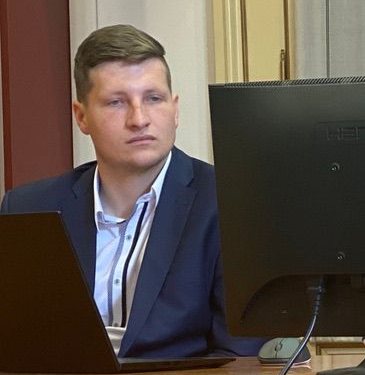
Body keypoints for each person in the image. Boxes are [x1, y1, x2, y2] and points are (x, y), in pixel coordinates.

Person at [0, 24, 261, 358]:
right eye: (116, 102)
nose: (139, 119)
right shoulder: (28, 208)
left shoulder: (231, 203)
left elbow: (245, 359)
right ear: (81, 117)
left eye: (153, 99)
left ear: (175, 109)